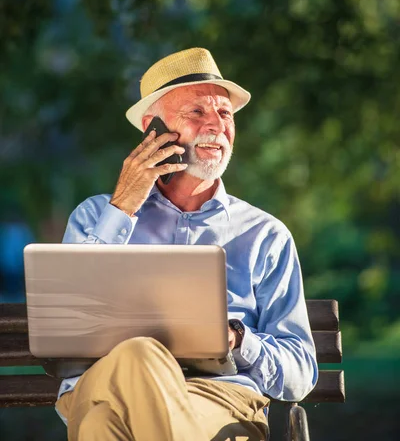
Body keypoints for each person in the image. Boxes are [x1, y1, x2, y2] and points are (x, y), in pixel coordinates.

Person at [56, 47, 318, 441]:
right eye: (197, 112)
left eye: (225, 114)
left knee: (100, 427)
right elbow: (67, 324)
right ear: (152, 127)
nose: (216, 125)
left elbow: (300, 372)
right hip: (101, 386)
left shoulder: (265, 234)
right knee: (136, 356)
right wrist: (124, 204)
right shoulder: (95, 217)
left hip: (218, 400)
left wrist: (237, 339)